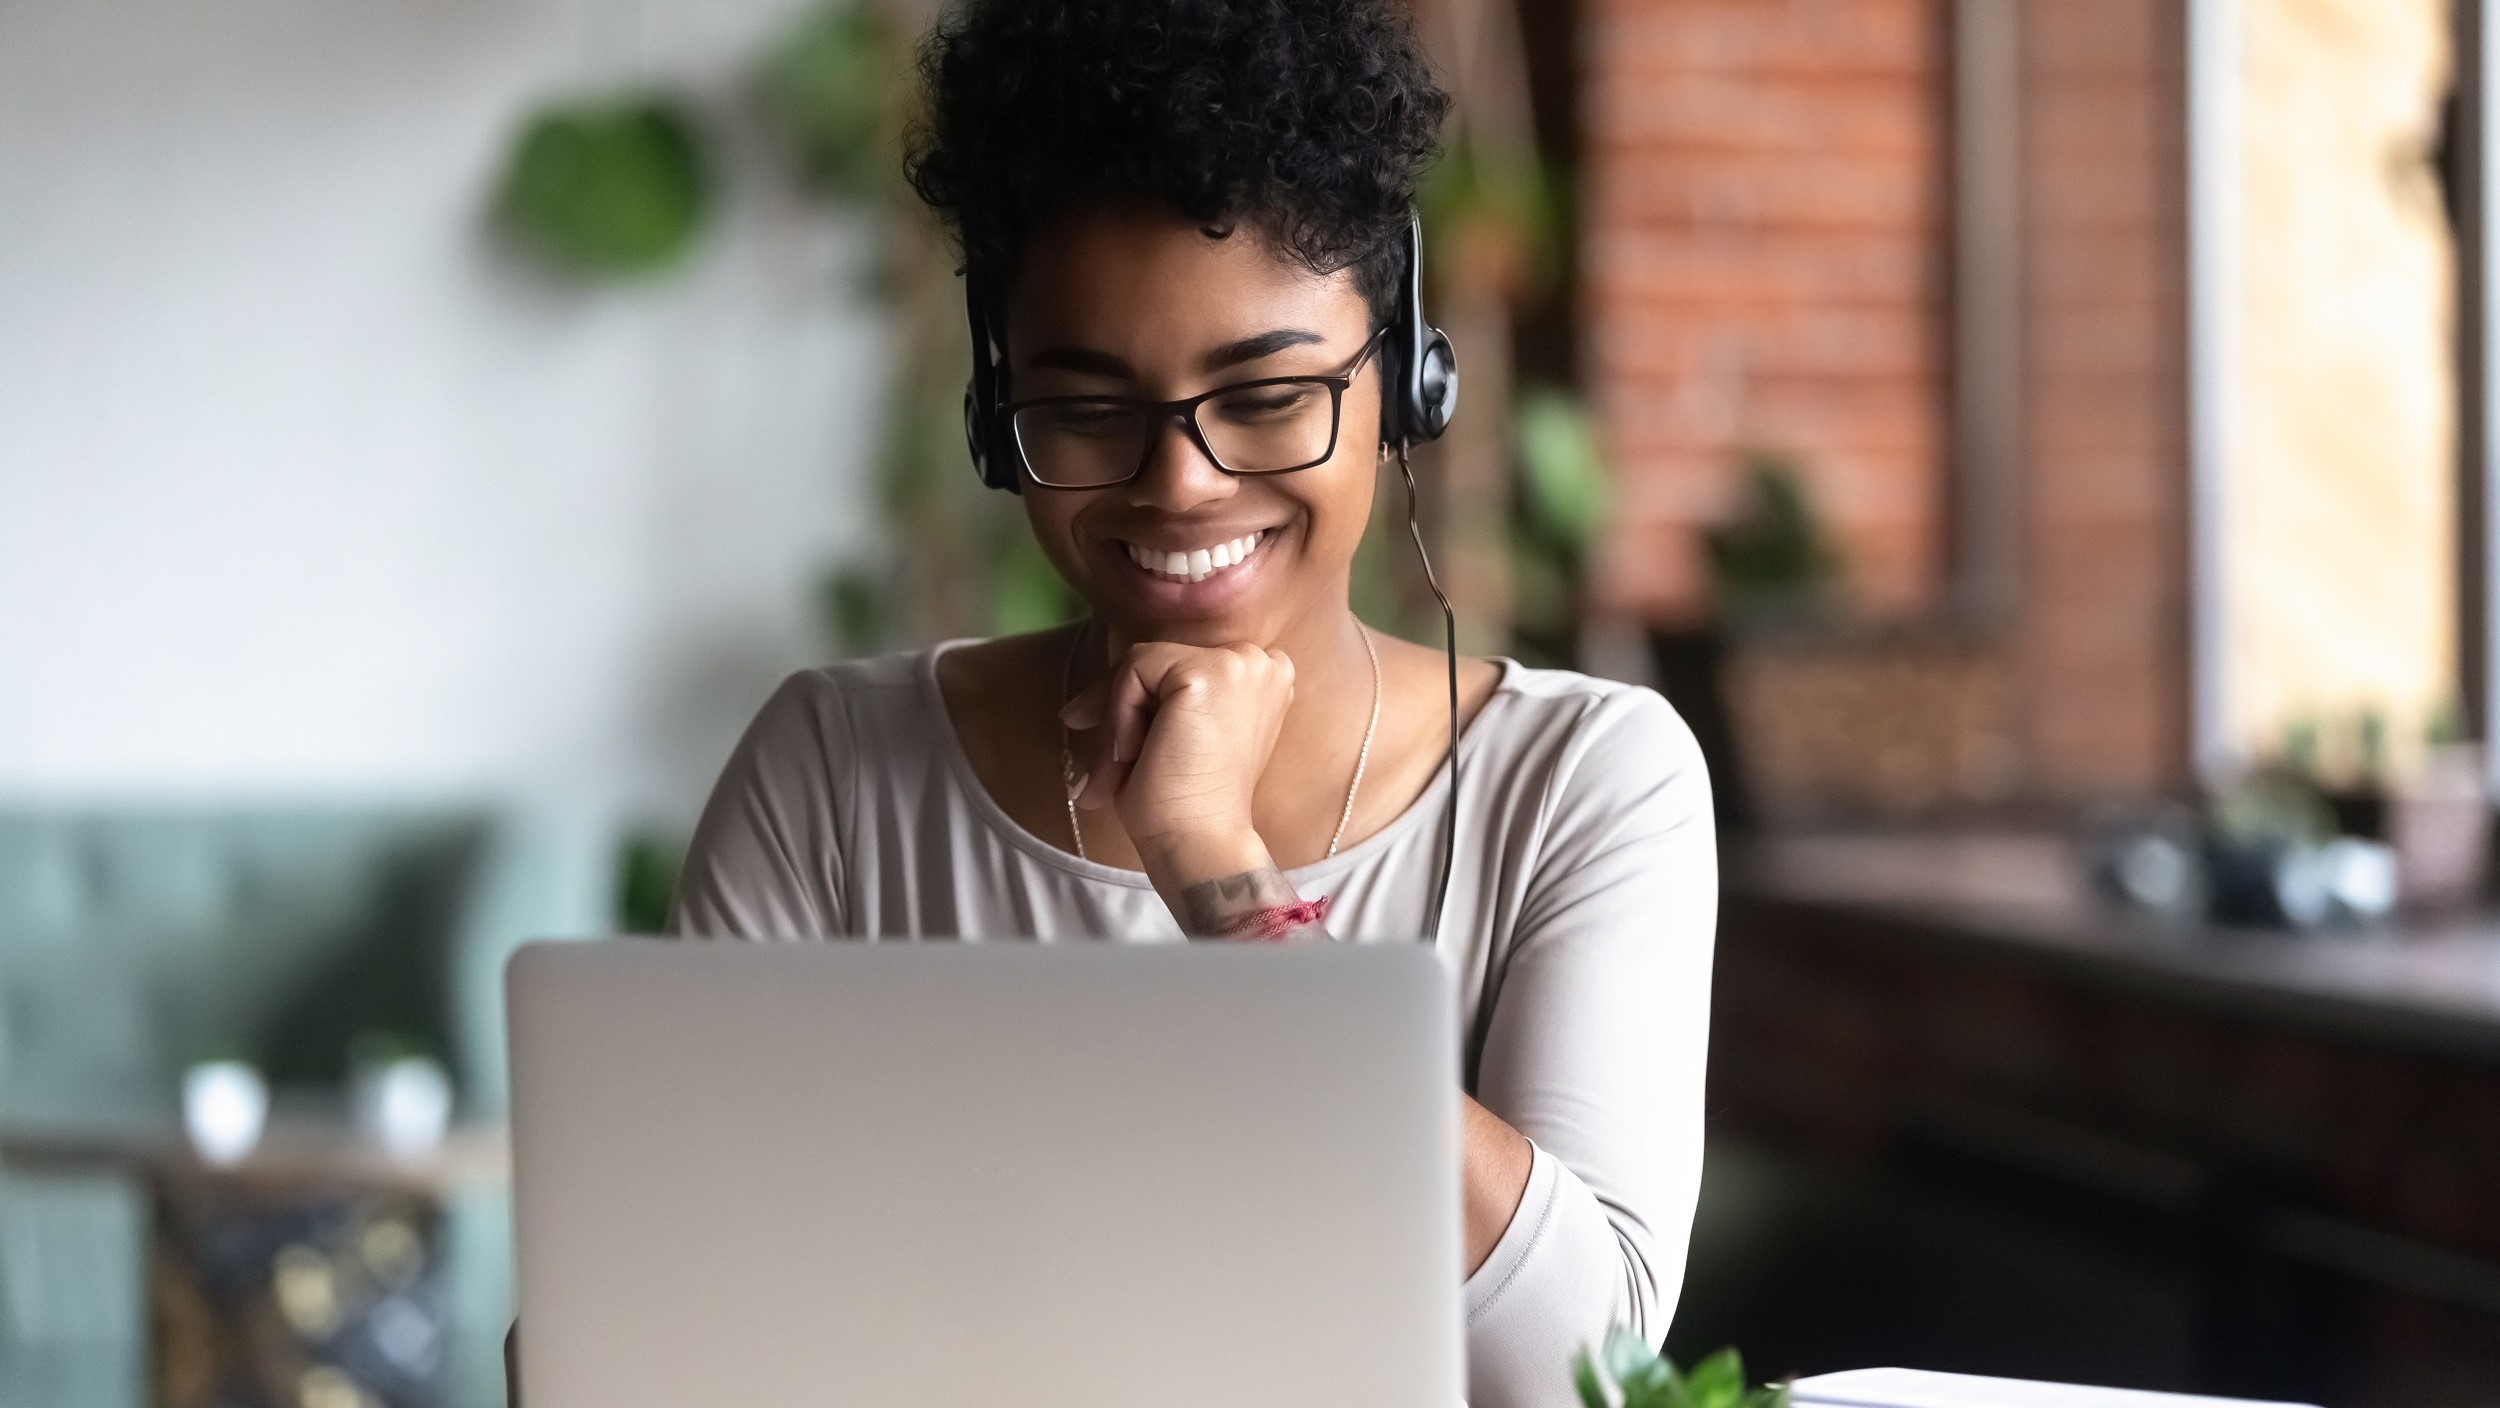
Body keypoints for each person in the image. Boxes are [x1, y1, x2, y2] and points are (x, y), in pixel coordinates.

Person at [669, 1, 1717, 1402]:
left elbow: (1591, 1369)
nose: (1180, 486)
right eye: (1090, 408)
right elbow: (643, 1328)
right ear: (999, 418)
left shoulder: (1585, 779)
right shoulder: (836, 775)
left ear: (1404, 381)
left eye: (1269, 396)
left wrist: (1219, 873)